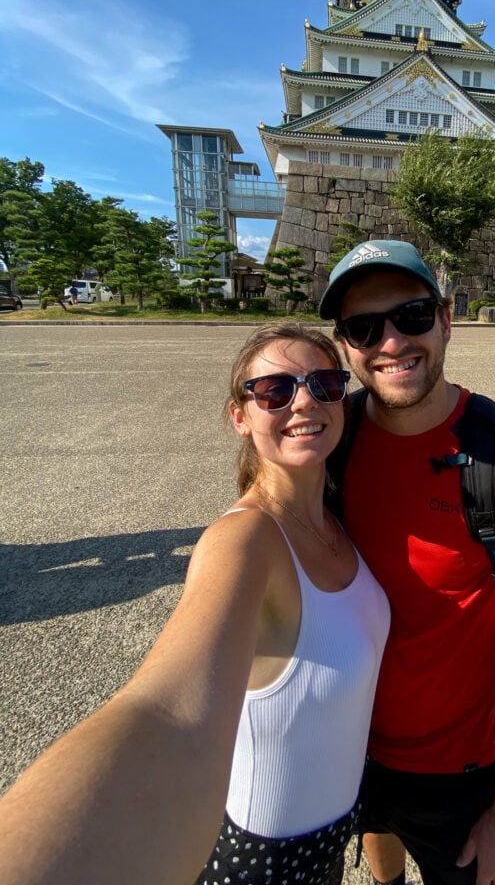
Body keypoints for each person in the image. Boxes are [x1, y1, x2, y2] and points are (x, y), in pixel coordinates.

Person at [0, 323, 390, 885]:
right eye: (275, 391)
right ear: (240, 416)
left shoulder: (336, 521)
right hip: (264, 864)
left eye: (324, 383)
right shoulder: (246, 541)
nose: (304, 399)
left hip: (329, 843)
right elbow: (167, 708)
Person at [318, 240, 495, 885]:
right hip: (345, 747)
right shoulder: (327, 444)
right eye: (364, 327)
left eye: (410, 316)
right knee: (377, 836)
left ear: (445, 319)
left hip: (458, 767)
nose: (390, 343)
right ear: (345, 345)